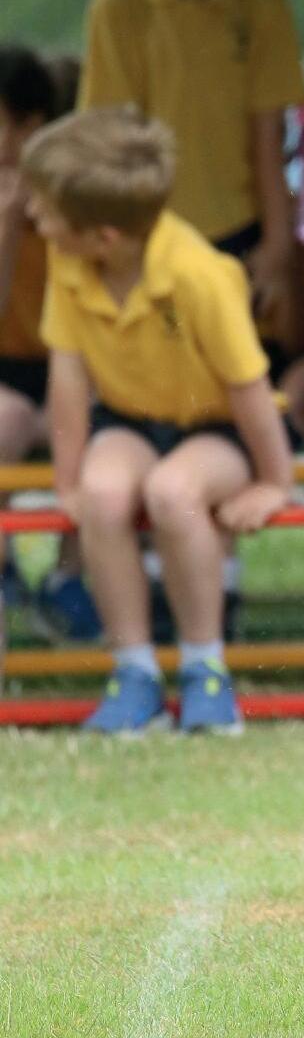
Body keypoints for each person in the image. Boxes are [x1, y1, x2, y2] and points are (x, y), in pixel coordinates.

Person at [23, 108, 293, 734]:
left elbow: (249, 388)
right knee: (102, 493)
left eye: (44, 209)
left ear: (103, 238)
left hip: (217, 428)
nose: (33, 216)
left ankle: (204, 666)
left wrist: (274, 481)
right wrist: (67, 480)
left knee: (172, 491)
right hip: (130, 418)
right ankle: (135, 672)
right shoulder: (70, 260)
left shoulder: (199, 275)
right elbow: (69, 378)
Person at [79, 0, 304, 357]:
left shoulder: (262, 5)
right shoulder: (117, 12)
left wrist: (277, 248)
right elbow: (116, 145)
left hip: (243, 238)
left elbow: (269, 141)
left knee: (252, 374)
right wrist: (129, 252)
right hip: (153, 236)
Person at [0, 47, 101, 637]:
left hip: (75, 369)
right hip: (9, 373)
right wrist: (8, 223)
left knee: (95, 425)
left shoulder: (77, 203)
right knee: (5, 420)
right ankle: (5, 570)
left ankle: (70, 575)